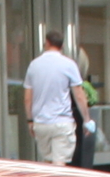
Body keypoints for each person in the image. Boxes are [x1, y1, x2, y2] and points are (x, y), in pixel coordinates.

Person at [23, 32, 90, 166]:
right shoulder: (69, 64)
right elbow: (79, 95)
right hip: (62, 122)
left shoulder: (34, 65)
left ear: (47, 43)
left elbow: (27, 98)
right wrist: (86, 119)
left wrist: (30, 120)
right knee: (59, 164)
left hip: (41, 123)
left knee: (47, 163)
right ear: (62, 46)